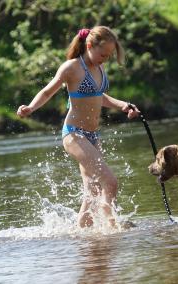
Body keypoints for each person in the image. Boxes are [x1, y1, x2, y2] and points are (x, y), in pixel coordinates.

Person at [17, 26, 140, 228]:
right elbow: (48, 92)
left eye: (109, 56)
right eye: (103, 54)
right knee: (110, 182)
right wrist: (30, 107)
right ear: (89, 45)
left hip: (92, 136)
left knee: (91, 192)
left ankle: (81, 237)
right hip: (74, 134)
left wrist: (123, 105)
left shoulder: (99, 67)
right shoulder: (71, 68)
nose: (105, 59)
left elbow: (98, 96)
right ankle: (111, 226)